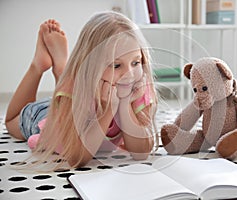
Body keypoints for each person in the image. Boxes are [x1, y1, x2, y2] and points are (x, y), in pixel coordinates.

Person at [5, 11, 158, 169]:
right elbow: (77, 158)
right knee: (11, 122)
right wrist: (109, 108)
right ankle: (38, 65)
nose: (130, 74)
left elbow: (141, 152)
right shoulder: (73, 90)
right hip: (52, 116)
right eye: (116, 65)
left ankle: (61, 69)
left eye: (136, 62)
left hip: (68, 104)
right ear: (92, 64)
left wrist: (124, 104)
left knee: (67, 87)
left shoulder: (136, 86)